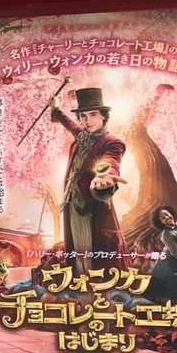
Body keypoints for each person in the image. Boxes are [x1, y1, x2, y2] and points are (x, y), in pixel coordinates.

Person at [50, 86, 128, 272]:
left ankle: (95, 284)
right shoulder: (82, 136)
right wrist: (56, 109)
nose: (87, 120)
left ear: (103, 116)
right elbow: (70, 124)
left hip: (91, 206)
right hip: (72, 204)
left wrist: (105, 175)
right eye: (83, 116)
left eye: (93, 114)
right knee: (76, 251)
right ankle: (81, 281)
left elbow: (110, 160)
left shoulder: (112, 142)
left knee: (94, 253)